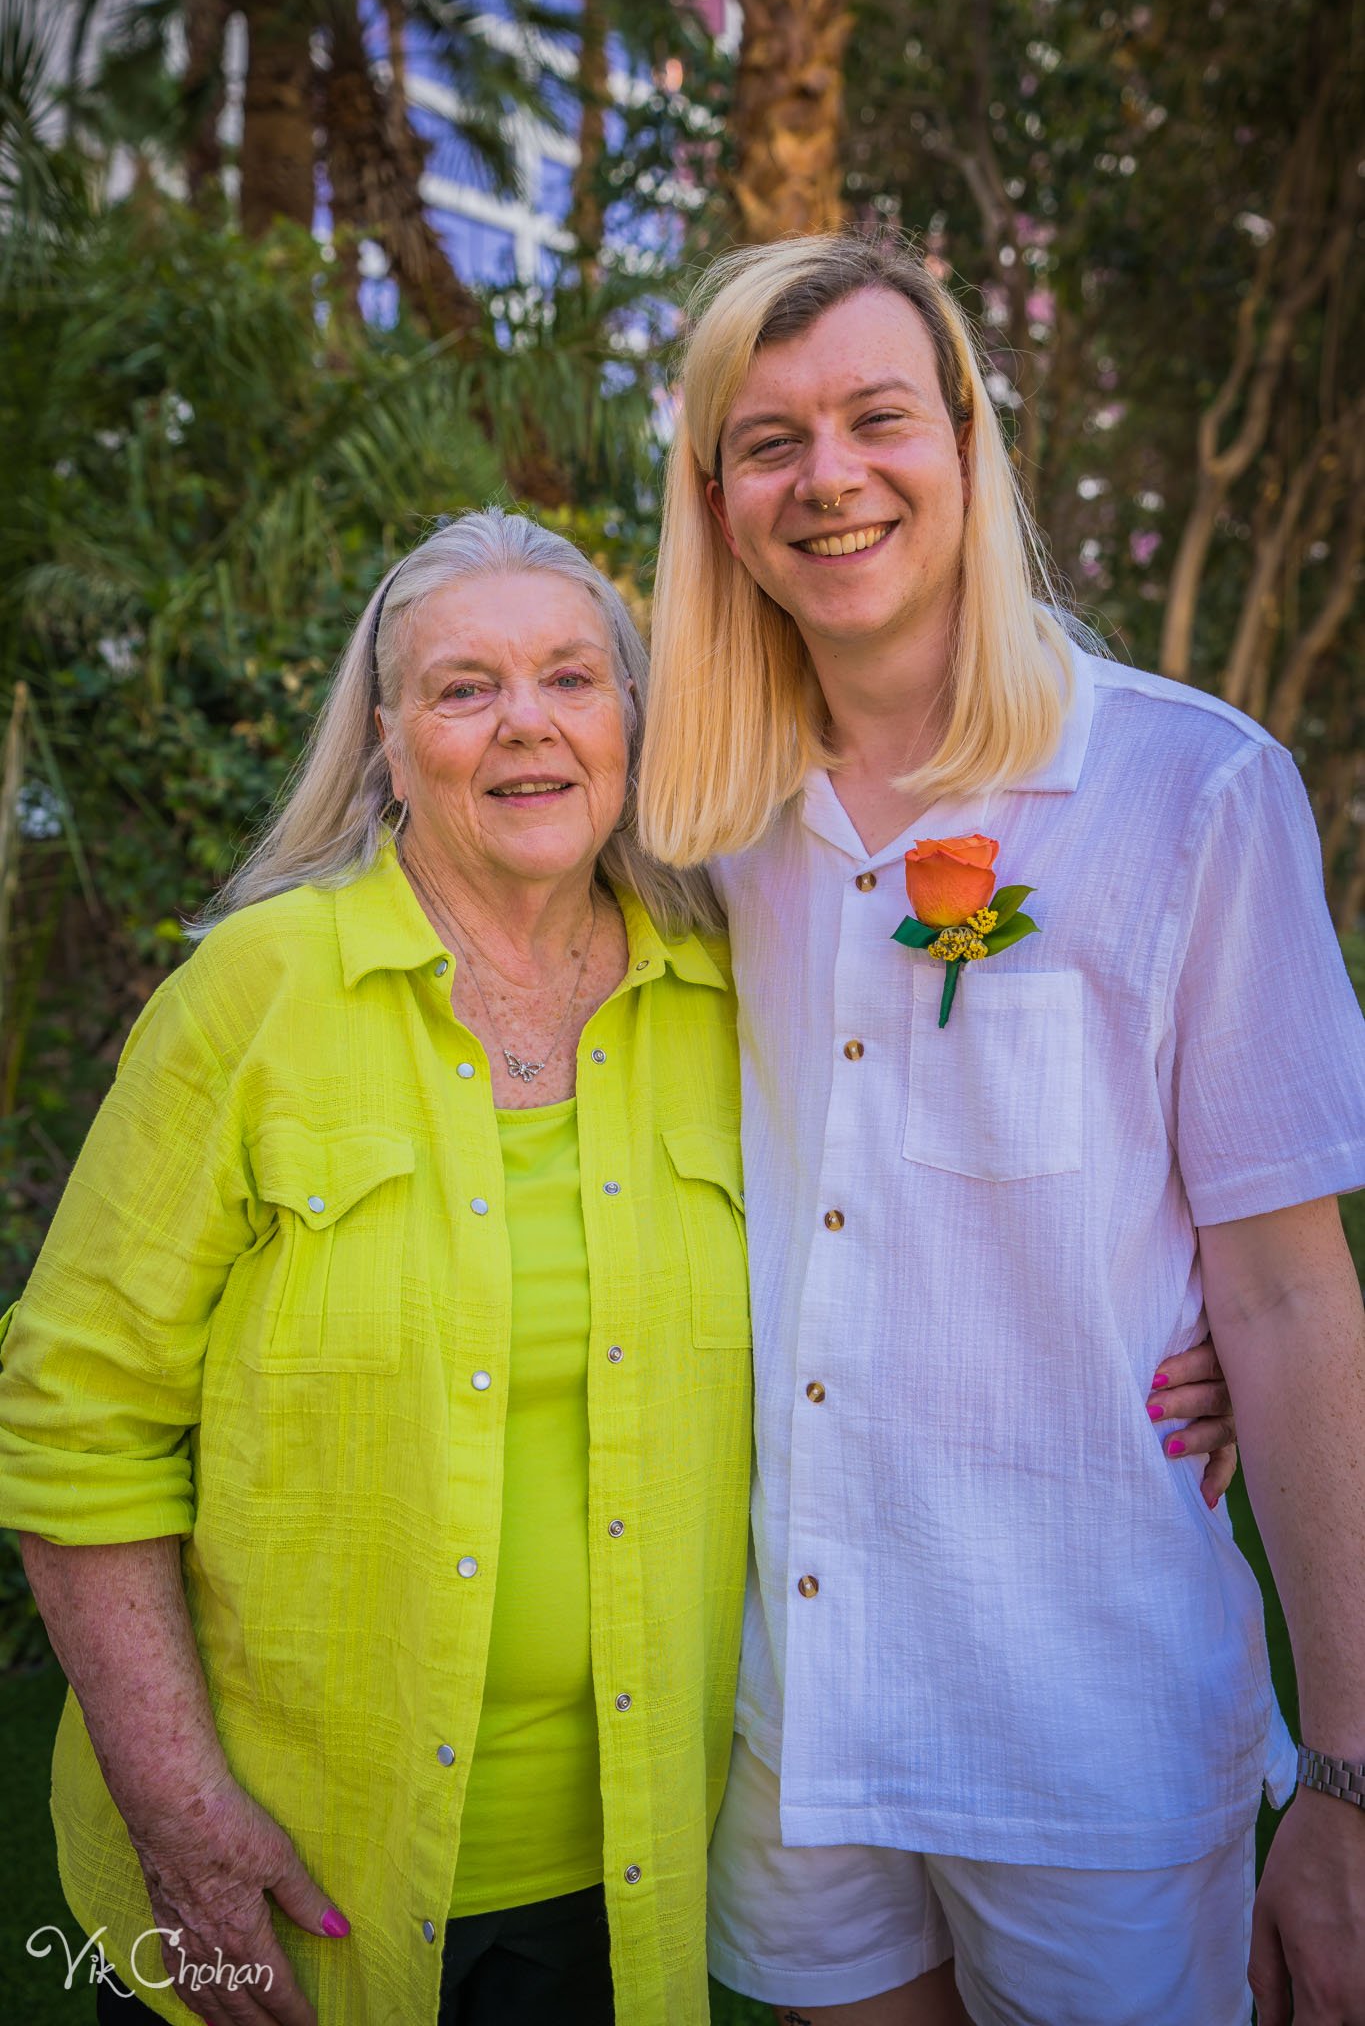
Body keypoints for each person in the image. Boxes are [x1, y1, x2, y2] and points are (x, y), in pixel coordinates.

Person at [638, 233, 1365, 2026]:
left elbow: (1281, 1301)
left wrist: (1347, 1776)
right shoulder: (689, 824)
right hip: (794, 1720)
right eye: (766, 439)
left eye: (879, 416)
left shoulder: (1190, 790)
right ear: (716, 499)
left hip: (1086, 1735)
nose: (830, 478)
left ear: (968, 440)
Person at [0, 511, 756, 2026]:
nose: (526, 722)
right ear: (388, 745)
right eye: (464, 688)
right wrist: (182, 1823)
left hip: (631, 1870)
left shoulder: (730, 1003)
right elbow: (73, 1412)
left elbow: (882, 1262)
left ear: (628, 723)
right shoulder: (256, 996)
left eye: (569, 679)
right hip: (294, 1866)